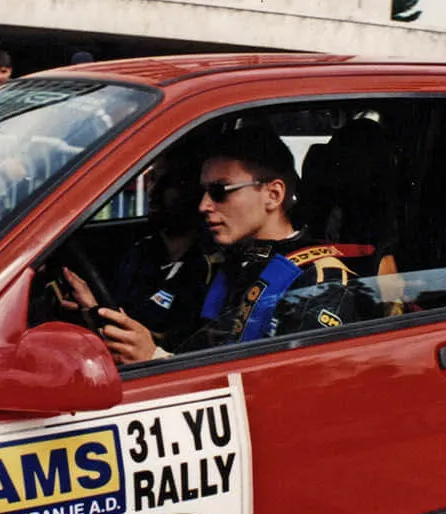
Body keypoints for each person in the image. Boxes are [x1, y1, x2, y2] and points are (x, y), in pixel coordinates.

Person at [88, 126, 374, 363]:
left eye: (219, 191)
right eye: (203, 191)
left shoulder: (318, 278)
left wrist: (155, 358)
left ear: (273, 195)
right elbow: (194, 345)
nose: (204, 205)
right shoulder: (227, 263)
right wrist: (99, 313)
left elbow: (290, 387)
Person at [61, 142, 219, 350]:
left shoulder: (208, 268)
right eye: (153, 179)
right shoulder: (141, 251)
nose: (155, 190)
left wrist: (96, 312)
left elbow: (178, 347)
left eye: (169, 182)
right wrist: (91, 311)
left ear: (193, 190)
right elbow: (121, 314)